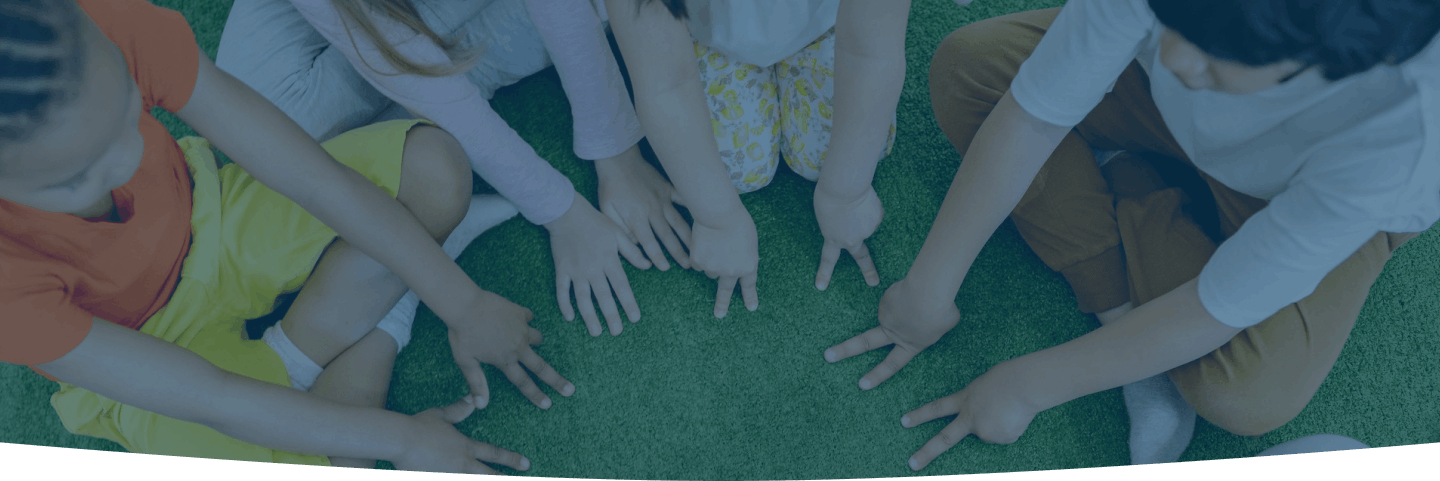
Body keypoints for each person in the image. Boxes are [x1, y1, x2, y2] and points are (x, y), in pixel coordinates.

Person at [823, 0, 1440, 470]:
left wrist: (1027, 386)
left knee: (1248, 392)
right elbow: (1031, 115)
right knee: (970, 69)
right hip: (1144, 101)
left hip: (1298, 193)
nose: (1174, 56)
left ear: (1327, 63)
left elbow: (1220, 305)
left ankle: (1126, 179)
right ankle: (1122, 313)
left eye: (1214, 50)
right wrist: (928, 289)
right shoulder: (1182, 46)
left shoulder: (1407, 135)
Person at [1, 0, 569, 473]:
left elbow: (317, 182)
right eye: (78, 176)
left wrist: (465, 305)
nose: (128, 158)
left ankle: (311, 356)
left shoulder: (81, 31)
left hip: (213, 220)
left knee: (434, 173)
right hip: (145, 349)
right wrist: (403, 439)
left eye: (128, 110)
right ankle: (373, 329)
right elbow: (211, 397)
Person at [216, 0, 693, 339]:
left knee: (595, 10)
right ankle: (420, 210)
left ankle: (418, 207)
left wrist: (618, 156)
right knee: (271, 133)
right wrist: (563, 212)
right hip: (305, 69)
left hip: (405, 37)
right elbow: (406, 65)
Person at [605, 0, 909, 317]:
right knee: (737, 171)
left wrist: (847, 193)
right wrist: (719, 220)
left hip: (834, 22)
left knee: (829, 156)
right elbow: (667, 83)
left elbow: (869, 52)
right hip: (704, 33)